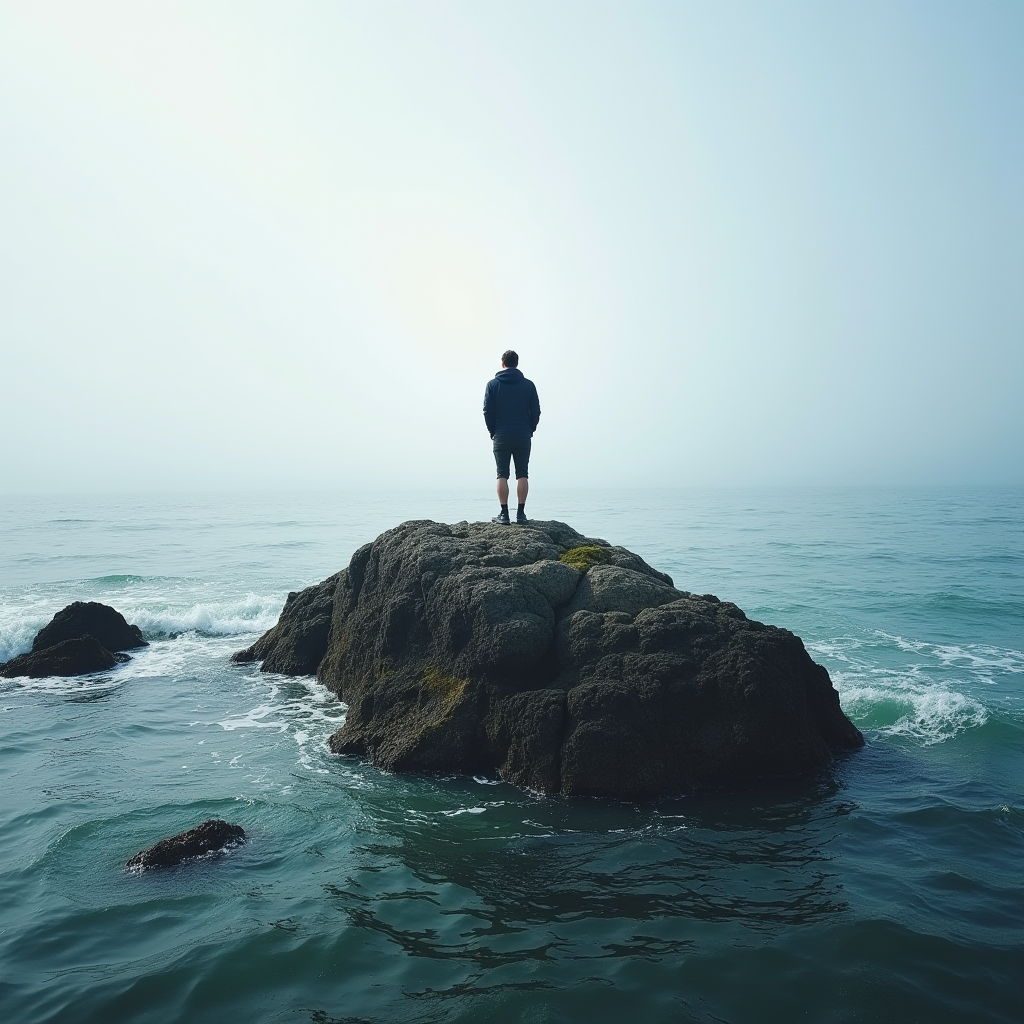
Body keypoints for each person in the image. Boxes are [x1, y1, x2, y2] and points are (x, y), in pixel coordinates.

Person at [483, 350, 541, 525]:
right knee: (522, 473)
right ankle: (521, 514)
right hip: (523, 434)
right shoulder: (529, 385)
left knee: (502, 474)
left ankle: (504, 514)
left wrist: (492, 431)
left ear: (503, 364)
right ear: (517, 363)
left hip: (501, 434)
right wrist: (531, 428)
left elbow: (487, 411)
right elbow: (536, 411)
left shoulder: (492, 385)